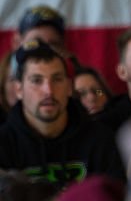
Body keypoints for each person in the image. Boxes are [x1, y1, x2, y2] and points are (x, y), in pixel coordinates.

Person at [0, 42, 124, 186]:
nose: (49, 91)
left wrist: (98, 93)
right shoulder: (4, 144)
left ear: (69, 87)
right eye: (37, 81)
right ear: (18, 89)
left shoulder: (102, 139)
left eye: (57, 79)